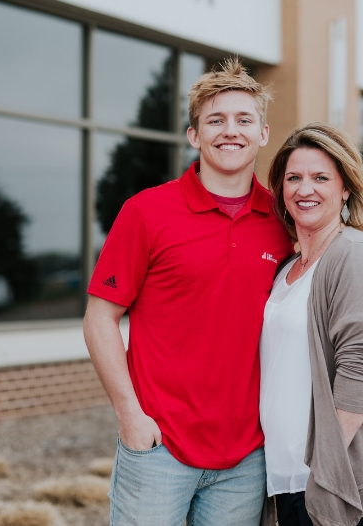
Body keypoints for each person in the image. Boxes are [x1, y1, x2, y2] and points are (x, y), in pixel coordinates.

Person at [83, 58, 293, 526]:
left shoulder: (283, 223)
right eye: (214, 120)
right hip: (158, 448)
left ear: (263, 133)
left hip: (245, 459)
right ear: (193, 136)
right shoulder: (147, 212)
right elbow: (100, 318)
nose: (229, 131)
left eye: (244, 119)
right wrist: (130, 417)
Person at [261, 123, 363, 526]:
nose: (304, 189)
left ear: (345, 188)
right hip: (288, 479)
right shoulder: (287, 270)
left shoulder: (352, 253)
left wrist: (324, 473)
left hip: (338, 485)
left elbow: (362, 364)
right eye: (293, 178)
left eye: (320, 178)